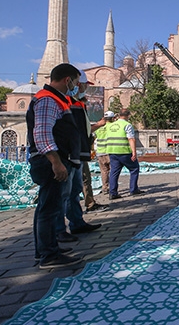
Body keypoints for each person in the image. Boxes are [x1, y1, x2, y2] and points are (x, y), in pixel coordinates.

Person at [26, 63, 83, 269]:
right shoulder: (49, 100)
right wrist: (56, 162)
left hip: (53, 160)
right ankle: (49, 255)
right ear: (67, 80)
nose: (76, 86)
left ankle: (45, 250)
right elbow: (42, 134)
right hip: (50, 161)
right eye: (75, 82)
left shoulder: (56, 99)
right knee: (49, 209)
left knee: (46, 206)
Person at [55, 71, 104, 243]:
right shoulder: (65, 103)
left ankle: (76, 222)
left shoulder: (77, 104)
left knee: (74, 190)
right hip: (67, 155)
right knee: (64, 193)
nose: (83, 88)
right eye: (82, 84)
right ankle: (59, 230)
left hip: (77, 154)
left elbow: (82, 131)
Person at [76, 71, 109, 213]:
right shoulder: (73, 105)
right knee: (81, 181)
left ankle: (84, 209)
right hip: (74, 152)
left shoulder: (79, 105)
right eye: (84, 85)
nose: (86, 89)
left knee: (84, 179)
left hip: (81, 151)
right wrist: (100, 125)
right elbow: (83, 129)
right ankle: (87, 206)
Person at [106, 109, 144, 200]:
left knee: (114, 172)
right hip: (124, 151)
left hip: (112, 151)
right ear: (128, 116)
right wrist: (134, 152)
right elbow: (131, 139)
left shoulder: (111, 125)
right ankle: (133, 189)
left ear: (119, 115)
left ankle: (113, 192)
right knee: (134, 168)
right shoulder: (127, 125)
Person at [94, 111, 116, 194]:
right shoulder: (112, 126)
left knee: (104, 171)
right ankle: (113, 187)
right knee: (113, 170)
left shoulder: (98, 127)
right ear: (113, 118)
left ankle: (105, 187)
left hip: (100, 151)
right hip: (110, 151)